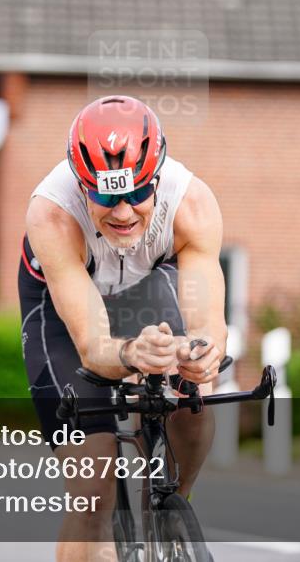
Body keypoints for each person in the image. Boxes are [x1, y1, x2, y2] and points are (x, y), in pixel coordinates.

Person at [20, 95, 226, 562]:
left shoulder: (191, 203)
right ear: (80, 185)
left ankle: (175, 506)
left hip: (146, 286)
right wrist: (132, 353)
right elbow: (93, 348)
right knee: (92, 488)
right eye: (106, 196)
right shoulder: (51, 215)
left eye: (137, 194)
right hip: (61, 307)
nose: (123, 212)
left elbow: (208, 323)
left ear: (158, 178)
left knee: (194, 396)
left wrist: (201, 353)